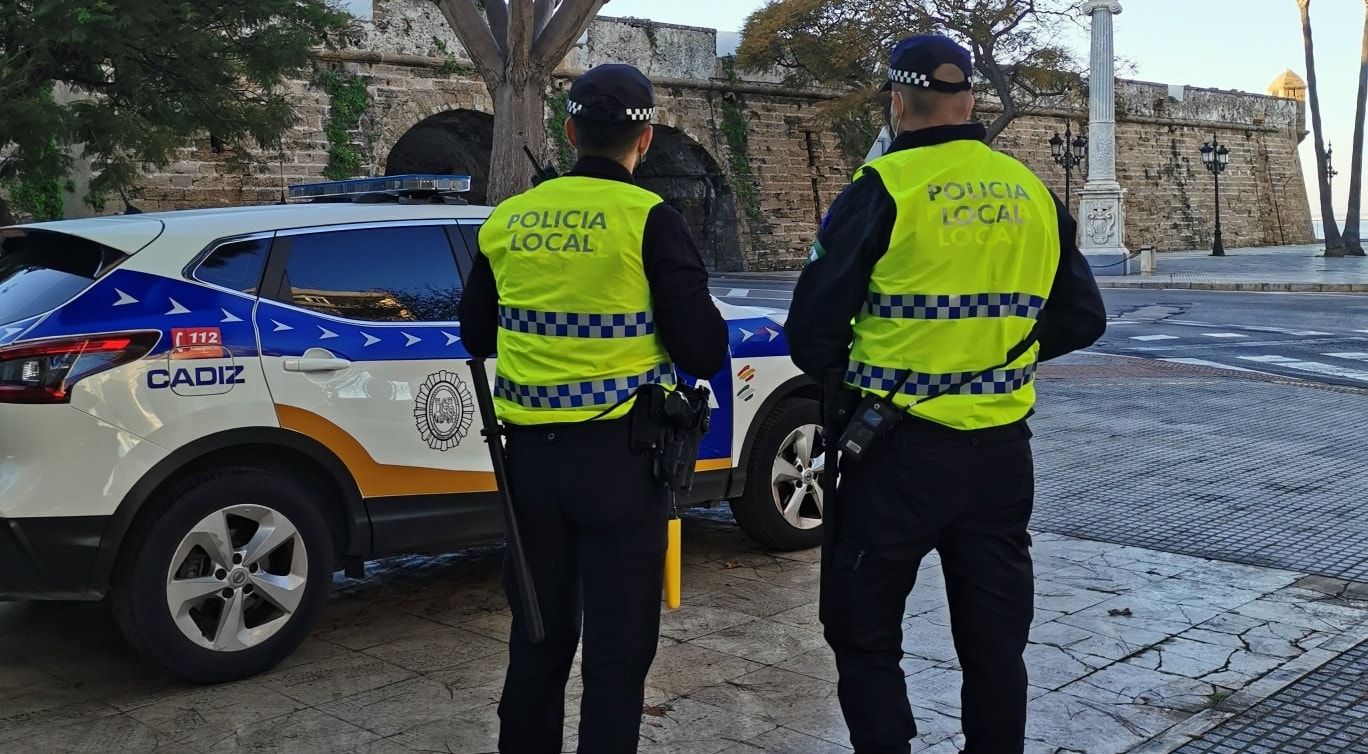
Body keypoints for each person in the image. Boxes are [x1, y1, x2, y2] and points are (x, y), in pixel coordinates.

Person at [784, 35, 1107, 754]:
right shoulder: (1031, 190)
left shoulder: (880, 191)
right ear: (970, 103)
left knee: (862, 632)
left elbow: (809, 334)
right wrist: (994, 357)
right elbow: (1084, 317)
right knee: (996, 648)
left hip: (892, 453)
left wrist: (872, 378)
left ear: (897, 102)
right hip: (999, 456)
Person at [458, 64, 728, 754]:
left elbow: (475, 334)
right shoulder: (651, 220)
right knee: (617, 655)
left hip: (530, 470)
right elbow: (702, 350)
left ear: (571, 131)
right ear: (644, 142)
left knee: (537, 641)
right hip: (622, 467)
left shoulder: (509, 218)